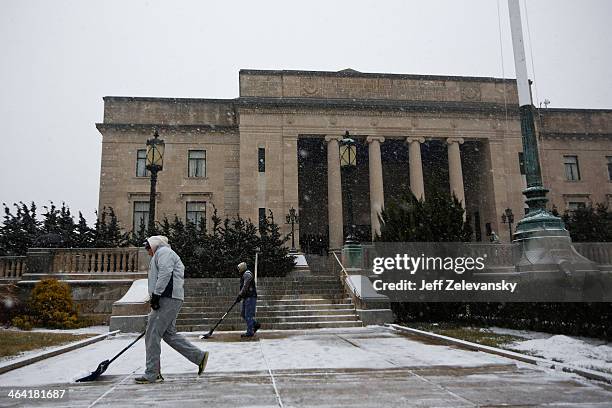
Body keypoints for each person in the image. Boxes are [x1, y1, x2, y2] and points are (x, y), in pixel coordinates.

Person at [135, 235, 209, 384]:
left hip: (166, 297)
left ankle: (152, 373)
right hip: (170, 297)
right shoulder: (163, 254)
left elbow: (165, 273)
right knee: (168, 334)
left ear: (154, 245)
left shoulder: (164, 253)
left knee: (152, 334)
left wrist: (156, 295)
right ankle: (199, 357)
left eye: (148, 248)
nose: (148, 251)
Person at [236, 262, 261, 338]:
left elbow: (245, 286)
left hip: (250, 297)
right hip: (246, 297)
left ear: (242, 268)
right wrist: (240, 296)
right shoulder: (244, 274)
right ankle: (255, 324)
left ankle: (250, 332)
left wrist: (240, 295)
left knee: (248, 315)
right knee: (243, 314)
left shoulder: (247, 274)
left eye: (239, 269)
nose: (238, 270)